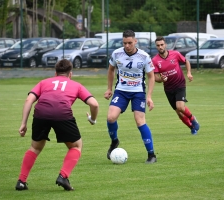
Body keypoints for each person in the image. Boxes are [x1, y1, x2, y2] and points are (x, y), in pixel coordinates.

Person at [15, 59, 99, 191]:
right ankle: (63, 176)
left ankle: (21, 181)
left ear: (55, 73)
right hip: (62, 114)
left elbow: (29, 100)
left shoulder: (44, 82)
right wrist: (93, 119)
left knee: (35, 147)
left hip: (40, 113)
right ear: (70, 74)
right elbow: (94, 104)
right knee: (76, 146)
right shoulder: (76, 85)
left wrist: (23, 123)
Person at [104, 30, 157, 164]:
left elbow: (151, 77)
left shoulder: (144, 56)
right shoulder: (117, 53)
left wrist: (149, 97)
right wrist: (109, 88)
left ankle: (151, 155)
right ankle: (114, 141)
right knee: (111, 118)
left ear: (135, 41)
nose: (127, 46)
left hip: (138, 92)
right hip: (121, 90)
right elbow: (111, 70)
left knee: (140, 121)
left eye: (129, 43)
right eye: (124, 43)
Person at [151, 36, 200, 135]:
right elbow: (155, 77)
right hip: (168, 89)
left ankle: (192, 118)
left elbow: (186, 62)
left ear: (165, 45)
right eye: (158, 45)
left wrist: (189, 73)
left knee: (180, 106)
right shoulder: (155, 60)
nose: (160, 47)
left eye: (162, 45)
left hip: (180, 84)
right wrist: (161, 79)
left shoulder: (175, 54)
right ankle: (191, 127)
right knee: (179, 112)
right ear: (156, 47)